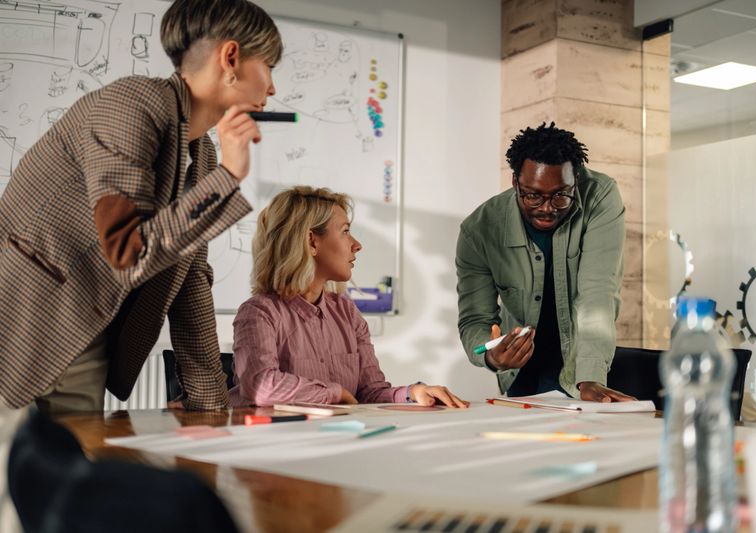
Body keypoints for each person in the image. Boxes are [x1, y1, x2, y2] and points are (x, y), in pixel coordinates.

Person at [0, 0, 282, 413]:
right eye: (269, 66)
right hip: (21, 327)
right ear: (232, 57)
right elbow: (126, 255)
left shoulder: (200, 152)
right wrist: (230, 175)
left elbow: (190, 281)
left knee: (72, 474)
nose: (272, 88)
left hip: (87, 341)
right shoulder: (133, 105)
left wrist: (212, 404)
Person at [229, 186, 469, 408]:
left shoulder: (346, 312)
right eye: (345, 232)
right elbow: (261, 387)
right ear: (312, 241)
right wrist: (333, 394)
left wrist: (413, 392)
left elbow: (370, 393)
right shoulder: (260, 313)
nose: (357, 245)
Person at [456, 122, 635, 402]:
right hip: (520, 370)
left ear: (576, 179)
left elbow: (598, 292)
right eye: (533, 195)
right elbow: (475, 319)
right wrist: (490, 354)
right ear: (515, 182)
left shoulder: (600, 195)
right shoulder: (479, 230)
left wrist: (590, 378)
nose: (547, 208)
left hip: (581, 367)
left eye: (561, 195)